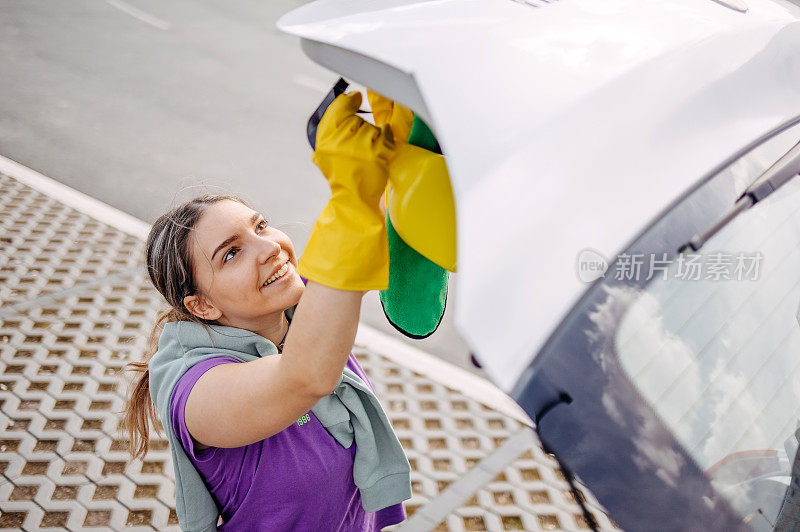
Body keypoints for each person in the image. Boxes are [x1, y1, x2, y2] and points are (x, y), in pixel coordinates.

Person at [123, 91, 412, 531]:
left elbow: (384, 233)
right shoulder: (194, 392)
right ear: (201, 304)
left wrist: (407, 147)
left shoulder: (300, 312)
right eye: (232, 253)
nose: (270, 248)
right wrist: (352, 199)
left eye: (259, 226)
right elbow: (305, 376)